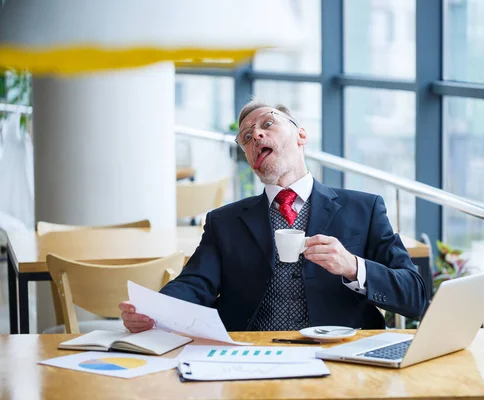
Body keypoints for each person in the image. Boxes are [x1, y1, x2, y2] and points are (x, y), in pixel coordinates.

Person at [120, 101, 427, 333]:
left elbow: (414, 296)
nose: (256, 135)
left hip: (341, 353)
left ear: (301, 135)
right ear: (251, 160)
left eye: (268, 123)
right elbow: (194, 283)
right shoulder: (224, 222)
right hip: (249, 354)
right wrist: (153, 311)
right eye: (246, 138)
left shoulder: (365, 208)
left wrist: (352, 266)